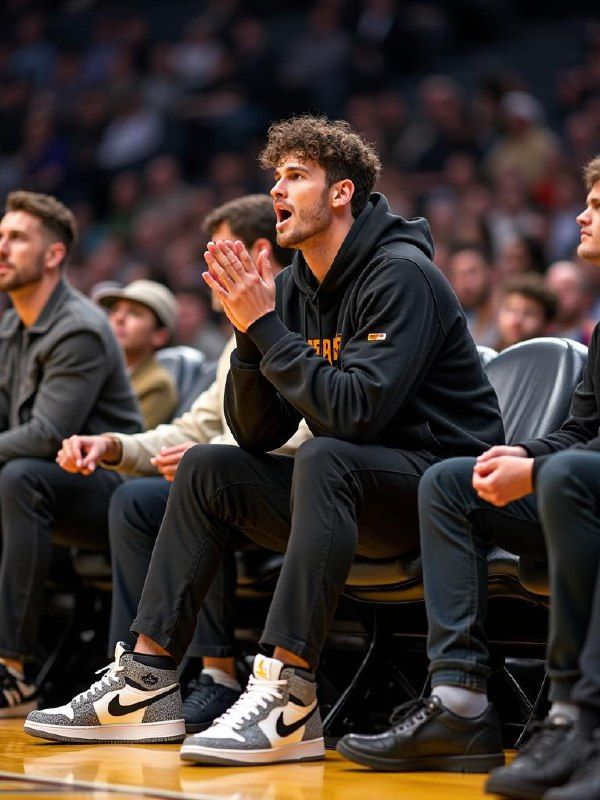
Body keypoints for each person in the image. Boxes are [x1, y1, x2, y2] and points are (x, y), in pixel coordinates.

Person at [25, 115, 503, 757]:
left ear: (342, 194)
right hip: (355, 489)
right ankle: (145, 684)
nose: (278, 190)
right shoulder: (295, 286)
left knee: (330, 456)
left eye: (296, 176)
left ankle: (289, 694)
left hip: (439, 490)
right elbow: (255, 433)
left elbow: (354, 414)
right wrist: (251, 333)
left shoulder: (401, 274)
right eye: (275, 177)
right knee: (209, 467)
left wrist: (267, 327)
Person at [336, 155, 600, 791]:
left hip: (580, 489)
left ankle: (574, 716)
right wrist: (526, 457)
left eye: (597, 204)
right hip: (580, 488)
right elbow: (579, 430)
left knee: (564, 478)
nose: (581, 215)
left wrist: (546, 471)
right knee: (453, 480)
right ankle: (459, 704)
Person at [52, 194, 310, 734]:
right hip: (237, 478)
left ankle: (216, 674)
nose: (203, 267)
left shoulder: (306, 313)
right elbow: (193, 426)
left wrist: (213, 456)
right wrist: (116, 446)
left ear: (256, 251)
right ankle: (132, 673)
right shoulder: (236, 335)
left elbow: (319, 423)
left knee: (202, 477)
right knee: (135, 499)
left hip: (297, 486)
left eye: (214, 250)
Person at [0, 190, 141, 717]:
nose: (3, 248)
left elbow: (43, 435)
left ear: (54, 254)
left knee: (18, 477)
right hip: (51, 486)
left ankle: (15, 672)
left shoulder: (78, 327)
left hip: (113, 490)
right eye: (0, 236)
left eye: (16, 238)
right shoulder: (10, 326)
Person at [95, 279, 179, 429]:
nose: (119, 318)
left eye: (134, 313)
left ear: (159, 336)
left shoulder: (158, 385)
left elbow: (129, 438)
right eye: (115, 310)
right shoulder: (94, 366)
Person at [495, 273, 557, 351]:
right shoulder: (483, 358)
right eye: (511, 310)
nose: (516, 320)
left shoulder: (557, 362)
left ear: (547, 324)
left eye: (529, 313)